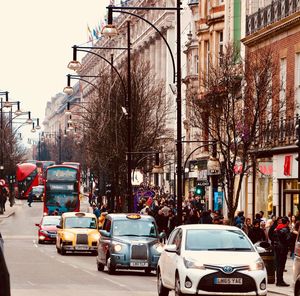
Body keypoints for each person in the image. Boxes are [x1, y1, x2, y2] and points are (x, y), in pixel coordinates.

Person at [273, 216, 291, 286]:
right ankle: (280, 281)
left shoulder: (277, 228)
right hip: (283, 250)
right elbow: (288, 239)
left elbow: (273, 237)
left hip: (277, 249)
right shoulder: (285, 229)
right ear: (287, 222)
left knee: (278, 265)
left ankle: (278, 281)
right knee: (281, 265)